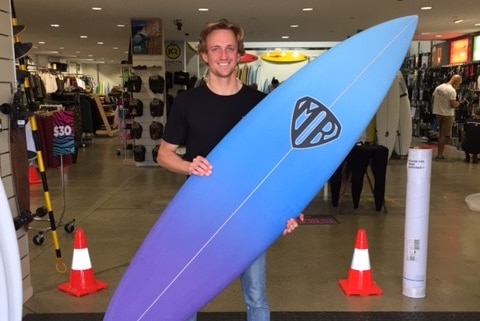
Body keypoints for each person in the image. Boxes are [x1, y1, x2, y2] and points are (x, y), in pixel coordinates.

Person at [156, 19, 303, 321]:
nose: (223, 55)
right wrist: (188, 165)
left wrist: (290, 209)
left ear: (239, 55)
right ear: (205, 56)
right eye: (215, 49)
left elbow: (277, 163)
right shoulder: (187, 102)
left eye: (229, 48)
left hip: (249, 212)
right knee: (187, 294)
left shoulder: (261, 103)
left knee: (256, 297)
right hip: (199, 212)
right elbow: (163, 155)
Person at [431, 74, 462, 160]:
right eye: (459, 84)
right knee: (444, 135)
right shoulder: (452, 91)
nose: (458, 85)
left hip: (438, 112)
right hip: (447, 114)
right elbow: (452, 104)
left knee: (442, 133)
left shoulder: (439, 87)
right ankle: (440, 154)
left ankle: (440, 152)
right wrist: (457, 104)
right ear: (456, 82)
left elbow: (433, 99)